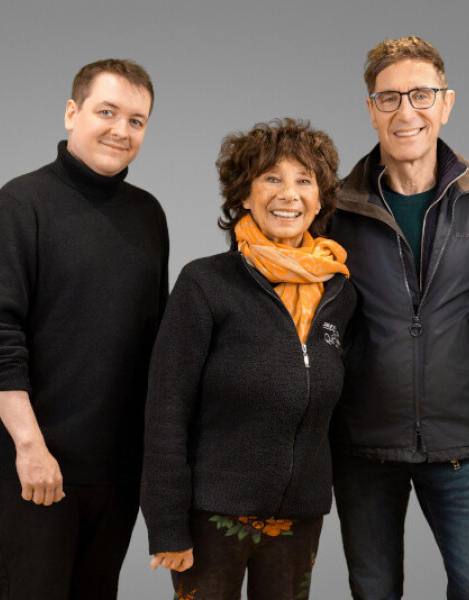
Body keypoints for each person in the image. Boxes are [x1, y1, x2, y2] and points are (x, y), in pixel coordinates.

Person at [0, 59, 169, 600]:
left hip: (121, 470)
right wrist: (29, 448)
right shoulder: (18, 206)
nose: (121, 130)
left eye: (137, 120)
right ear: (72, 113)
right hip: (40, 467)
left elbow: (156, 341)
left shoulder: (148, 214)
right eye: (107, 112)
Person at [328, 36, 469, 600]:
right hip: (363, 439)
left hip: (466, 438)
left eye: (420, 95)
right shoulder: (337, 208)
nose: (405, 111)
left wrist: (449, 354)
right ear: (370, 109)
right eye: (389, 98)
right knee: (373, 590)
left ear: (447, 102)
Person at [141, 118, 356, 600]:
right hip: (210, 514)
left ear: (320, 199)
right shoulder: (205, 284)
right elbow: (166, 409)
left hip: (300, 516)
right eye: (271, 178)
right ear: (244, 194)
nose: (289, 194)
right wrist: (166, 525)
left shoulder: (341, 293)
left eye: (305, 181)